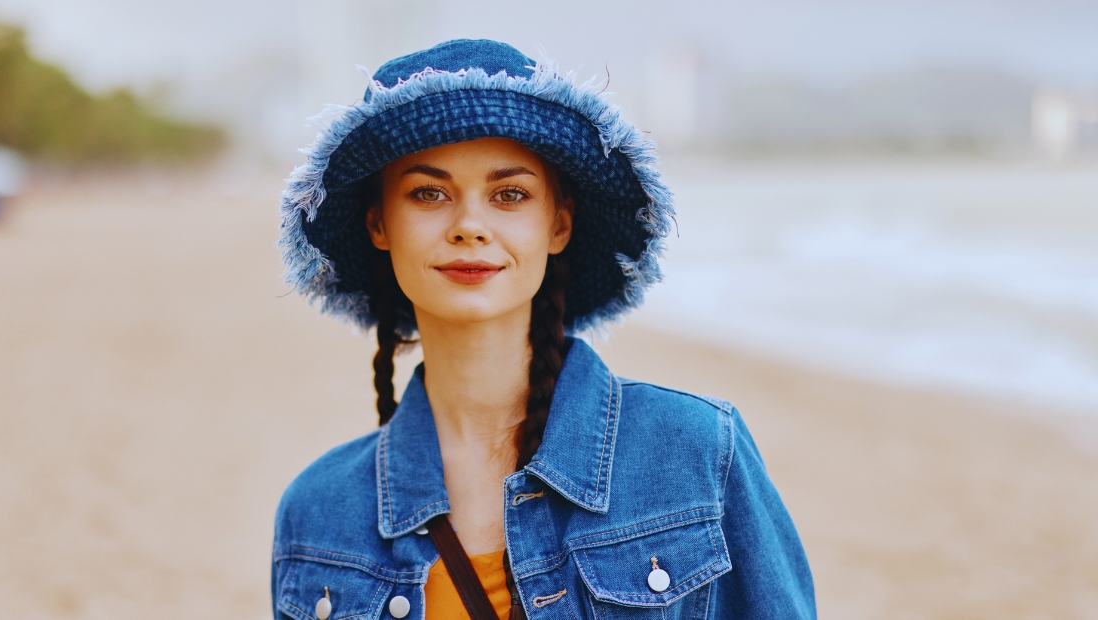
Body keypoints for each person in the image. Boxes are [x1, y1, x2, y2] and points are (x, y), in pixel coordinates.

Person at [272, 39, 815, 620]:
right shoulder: (318, 511)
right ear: (380, 223)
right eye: (428, 193)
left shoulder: (696, 449)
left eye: (510, 194)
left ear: (558, 223)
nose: (470, 225)